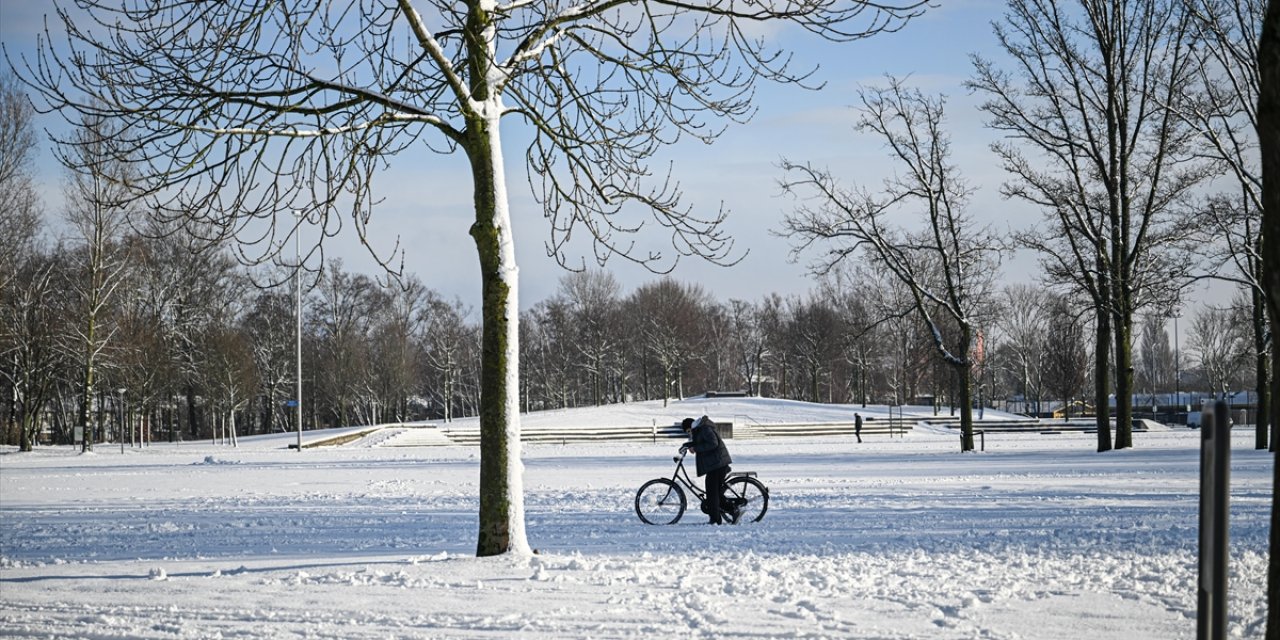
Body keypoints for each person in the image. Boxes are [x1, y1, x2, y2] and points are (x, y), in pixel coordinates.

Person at [681, 416, 733, 524]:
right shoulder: (700, 429)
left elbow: (713, 443)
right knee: (715, 492)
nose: (690, 434)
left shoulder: (704, 428)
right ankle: (733, 510)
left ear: (692, 426)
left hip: (718, 464)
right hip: (715, 464)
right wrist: (686, 446)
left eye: (689, 431)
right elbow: (700, 442)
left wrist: (695, 448)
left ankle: (715, 520)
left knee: (712, 493)